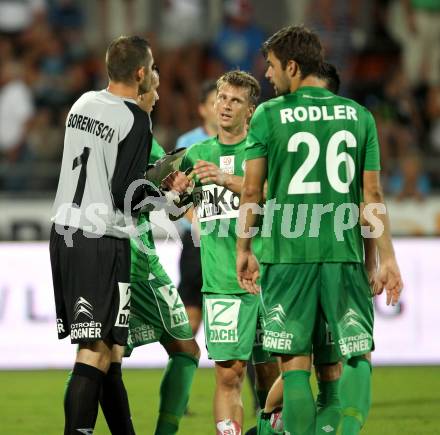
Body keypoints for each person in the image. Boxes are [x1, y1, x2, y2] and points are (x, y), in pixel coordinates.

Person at [236, 25, 403, 435]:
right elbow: (372, 195)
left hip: (286, 257)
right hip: (343, 255)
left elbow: (253, 190)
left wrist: (244, 248)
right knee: (356, 355)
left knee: (294, 366)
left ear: (293, 66)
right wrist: (387, 259)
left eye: (272, 67)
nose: (269, 76)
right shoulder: (360, 116)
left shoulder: (268, 115)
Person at [49, 35, 189, 434]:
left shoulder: (83, 104)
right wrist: (167, 193)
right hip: (101, 238)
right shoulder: (134, 118)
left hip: (66, 231)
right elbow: (125, 197)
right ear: (142, 72)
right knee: (94, 352)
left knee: (111, 350)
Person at [180, 70, 279, 435]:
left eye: (236, 100)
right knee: (229, 373)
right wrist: (176, 196)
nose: (226, 106)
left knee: (270, 371)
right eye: (222, 97)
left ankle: (270, 428)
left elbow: (276, 194)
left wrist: (228, 181)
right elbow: (179, 208)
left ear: (250, 110)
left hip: (265, 278)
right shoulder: (196, 154)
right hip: (221, 281)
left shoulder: (264, 148)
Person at [123, 67, 200, 435]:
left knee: (97, 360)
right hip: (137, 259)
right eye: (154, 88)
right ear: (142, 91)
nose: (158, 97)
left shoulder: (92, 122)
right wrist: (180, 192)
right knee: (187, 350)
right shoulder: (142, 134)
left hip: (92, 253)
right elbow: (165, 201)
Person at [175, 79, 217, 336]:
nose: (221, 107)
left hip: (232, 239)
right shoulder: (188, 142)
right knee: (190, 321)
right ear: (202, 109)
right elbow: (176, 193)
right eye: (214, 102)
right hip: (197, 241)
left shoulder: (245, 142)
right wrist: (198, 223)